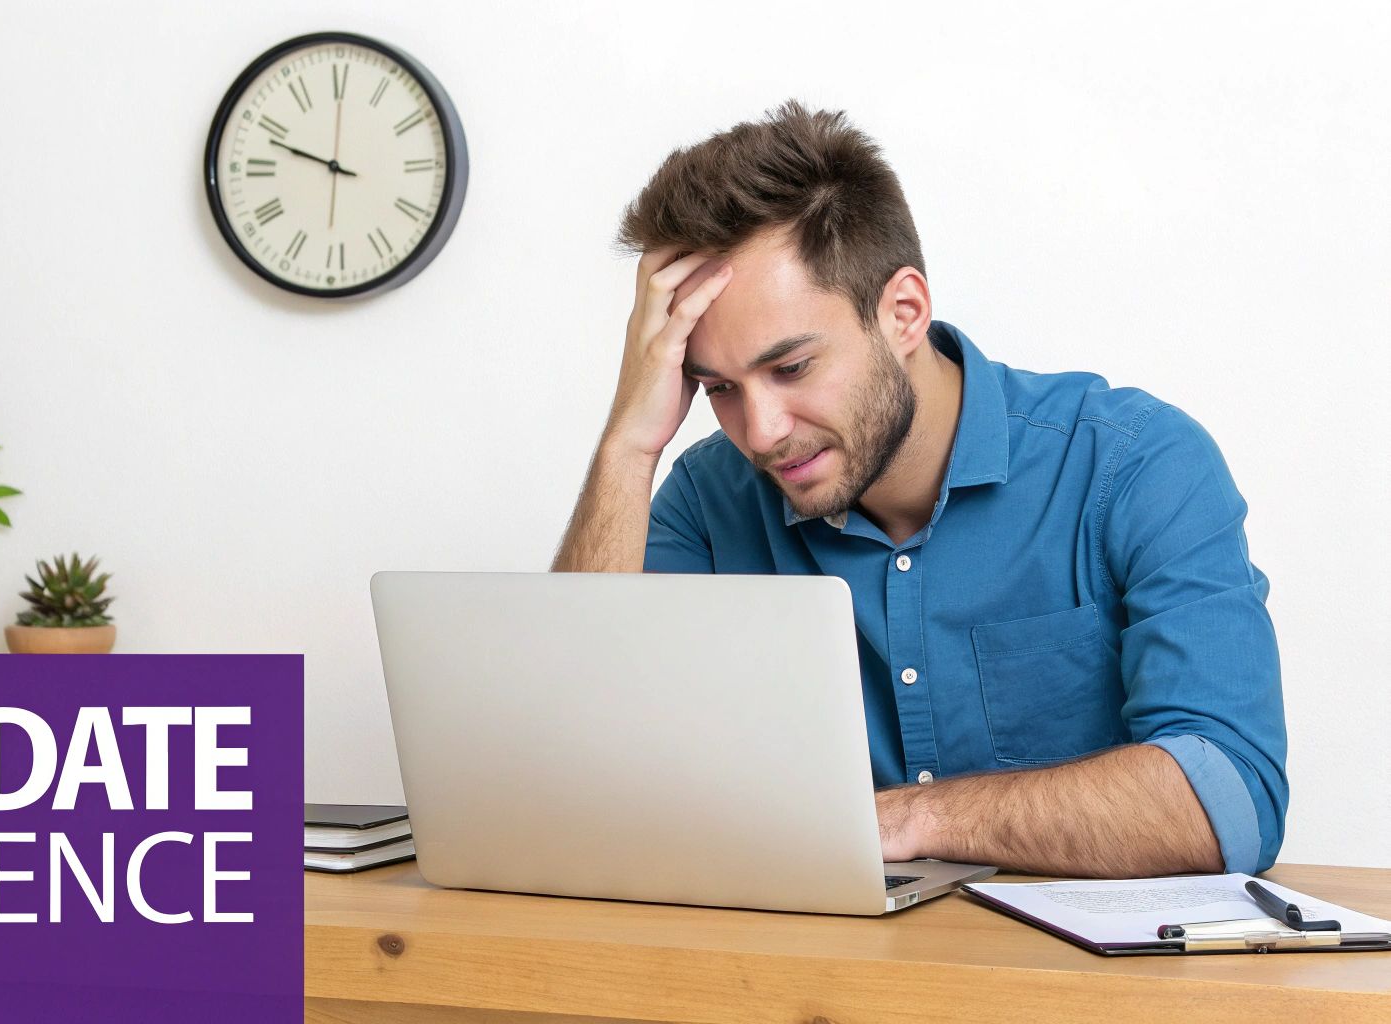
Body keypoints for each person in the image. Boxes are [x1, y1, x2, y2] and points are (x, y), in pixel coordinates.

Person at [551, 101, 1287, 879]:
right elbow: (574, 770)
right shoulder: (710, 498)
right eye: (717, 387)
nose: (761, 431)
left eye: (792, 367)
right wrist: (629, 446)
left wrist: (912, 817)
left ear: (904, 311)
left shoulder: (1135, 464)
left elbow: (1230, 798)